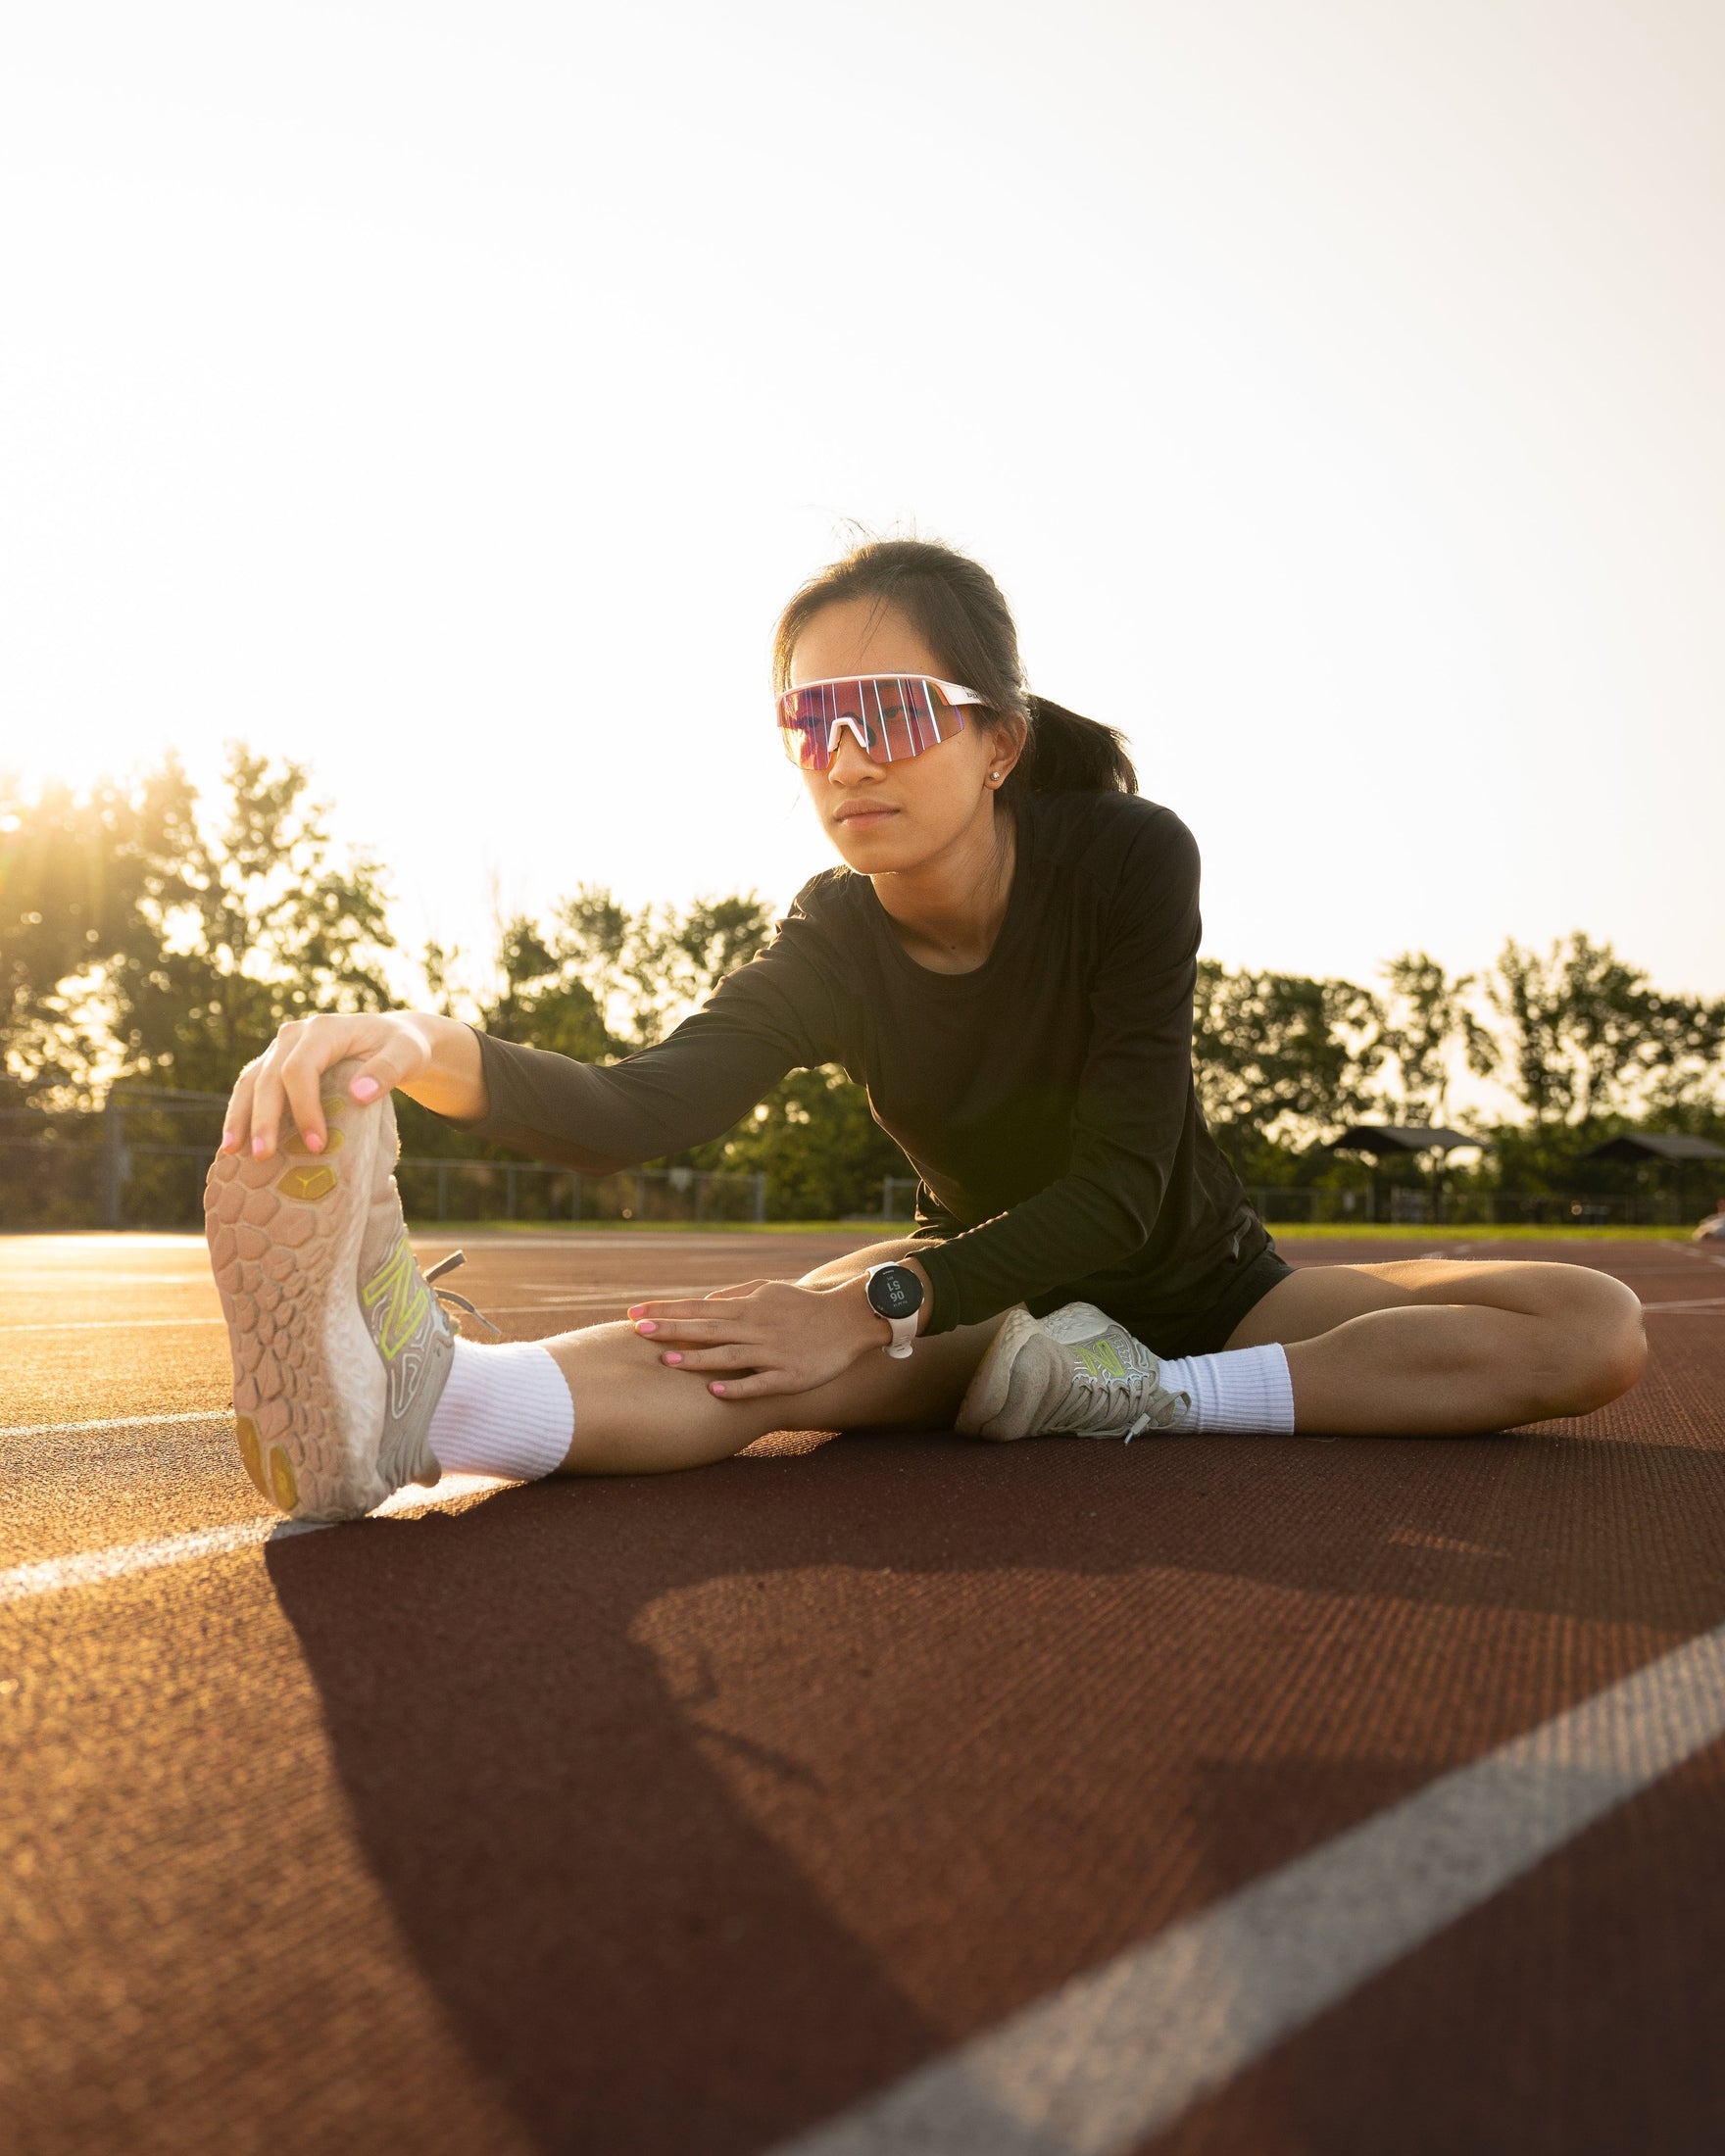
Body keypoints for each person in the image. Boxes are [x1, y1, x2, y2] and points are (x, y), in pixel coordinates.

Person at [205, 539, 1648, 1521]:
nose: (844, 757)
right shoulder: (836, 933)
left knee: (1593, 1326)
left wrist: (877, 1305)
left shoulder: (1130, 860)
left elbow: (1124, 1185)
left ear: (998, 742)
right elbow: (640, 1107)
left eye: (890, 712)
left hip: (1211, 1289)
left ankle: (1153, 1402)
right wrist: (415, 1039)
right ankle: (434, 1409)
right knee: (756, 1355)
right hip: (986, 1309)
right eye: (809, 719)